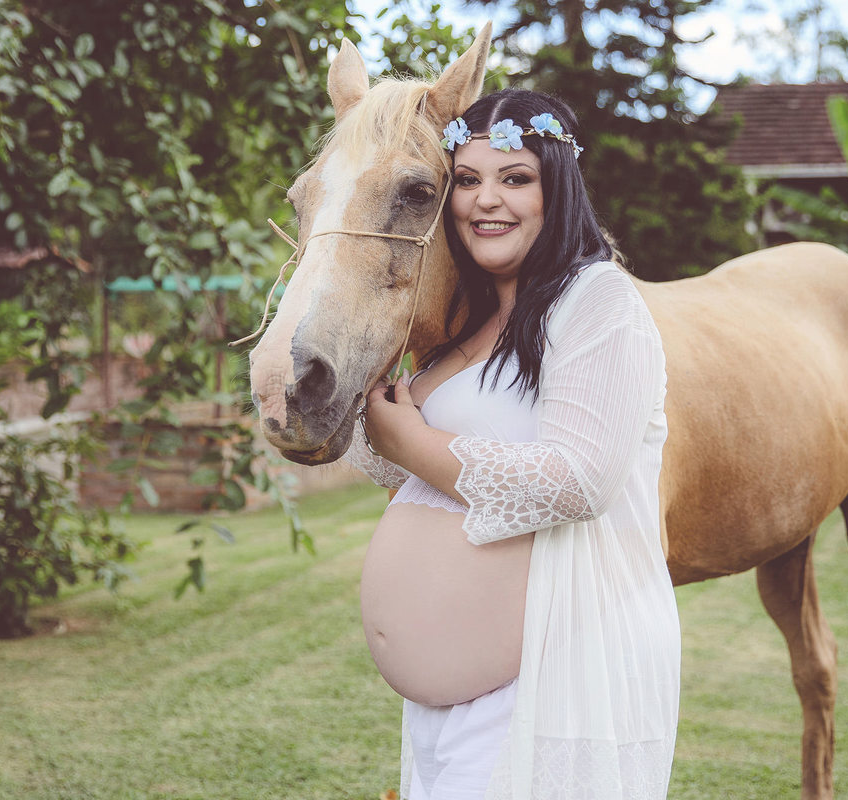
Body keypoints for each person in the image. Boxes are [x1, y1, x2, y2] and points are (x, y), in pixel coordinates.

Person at [345, 88, 681, 800]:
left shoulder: (598, 304)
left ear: (556, 186)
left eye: (515, 177)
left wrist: (413, 442)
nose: (484, 201)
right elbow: (389, 457)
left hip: (548, 675)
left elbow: (579, 480)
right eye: (466, 180)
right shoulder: (464, 323)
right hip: (445, 703)